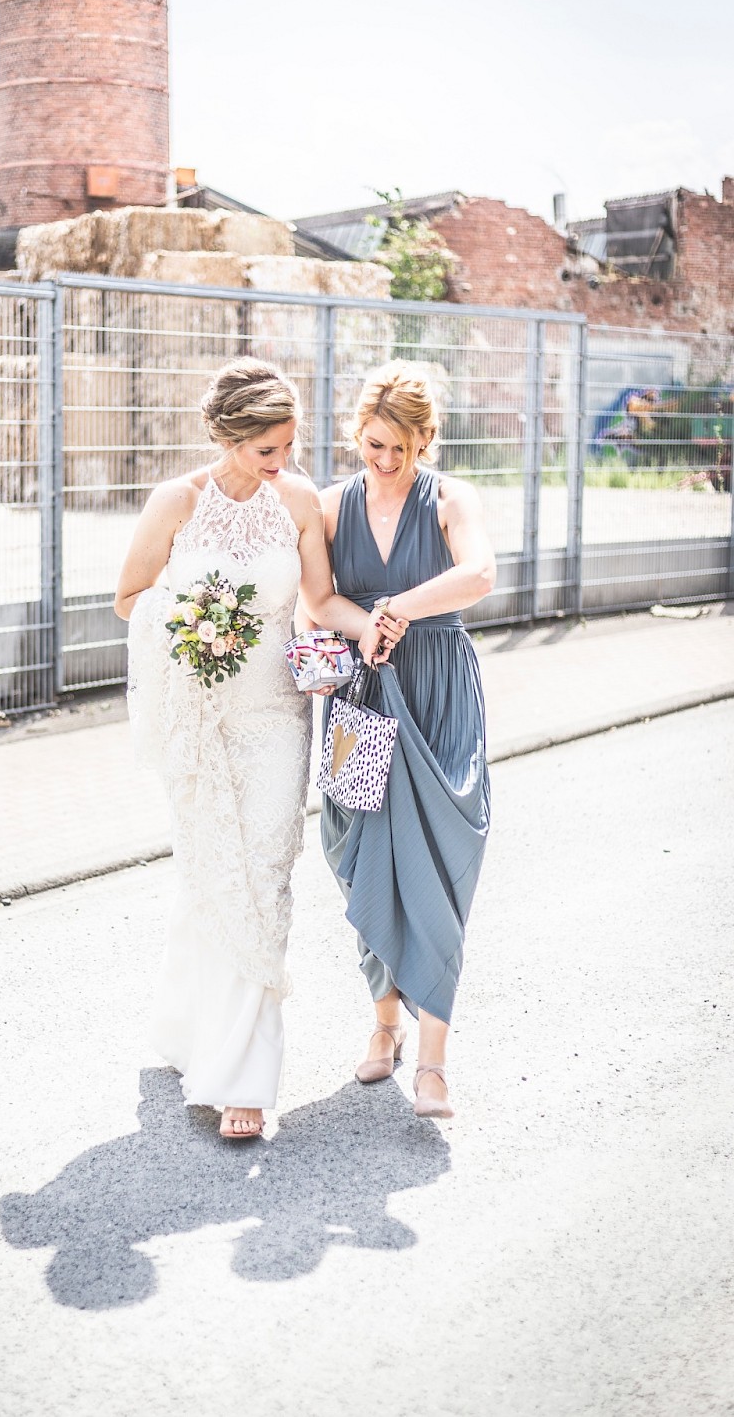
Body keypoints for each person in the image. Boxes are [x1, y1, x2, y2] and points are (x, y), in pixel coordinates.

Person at [114, 358, 400, 1140]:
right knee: (211, 868)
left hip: (277, 714)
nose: (280, 464)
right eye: (265, 451)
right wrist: (198, 615)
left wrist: (369, 625)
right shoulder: (177, 501)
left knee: (267, 872)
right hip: (197, 716)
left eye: (288, 447)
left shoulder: (300, 499)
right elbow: (129, 598)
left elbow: (319, 600)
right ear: (228, 437)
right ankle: (186, 1027)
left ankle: (242, 1075)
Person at [303, 360, 495, 1120]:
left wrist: (399, 611)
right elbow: (316, 600)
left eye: (401, 450)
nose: (384, 462)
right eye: (373, 445)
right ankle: (383, 1029)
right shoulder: (327, 506)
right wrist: (366, 626)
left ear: (427, 441)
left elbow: (478, 574)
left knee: (446, 864)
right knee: (360, 858)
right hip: (358, 696)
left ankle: (435, 1063)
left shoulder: (452, 498)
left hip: (440, 692)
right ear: (358, 432)